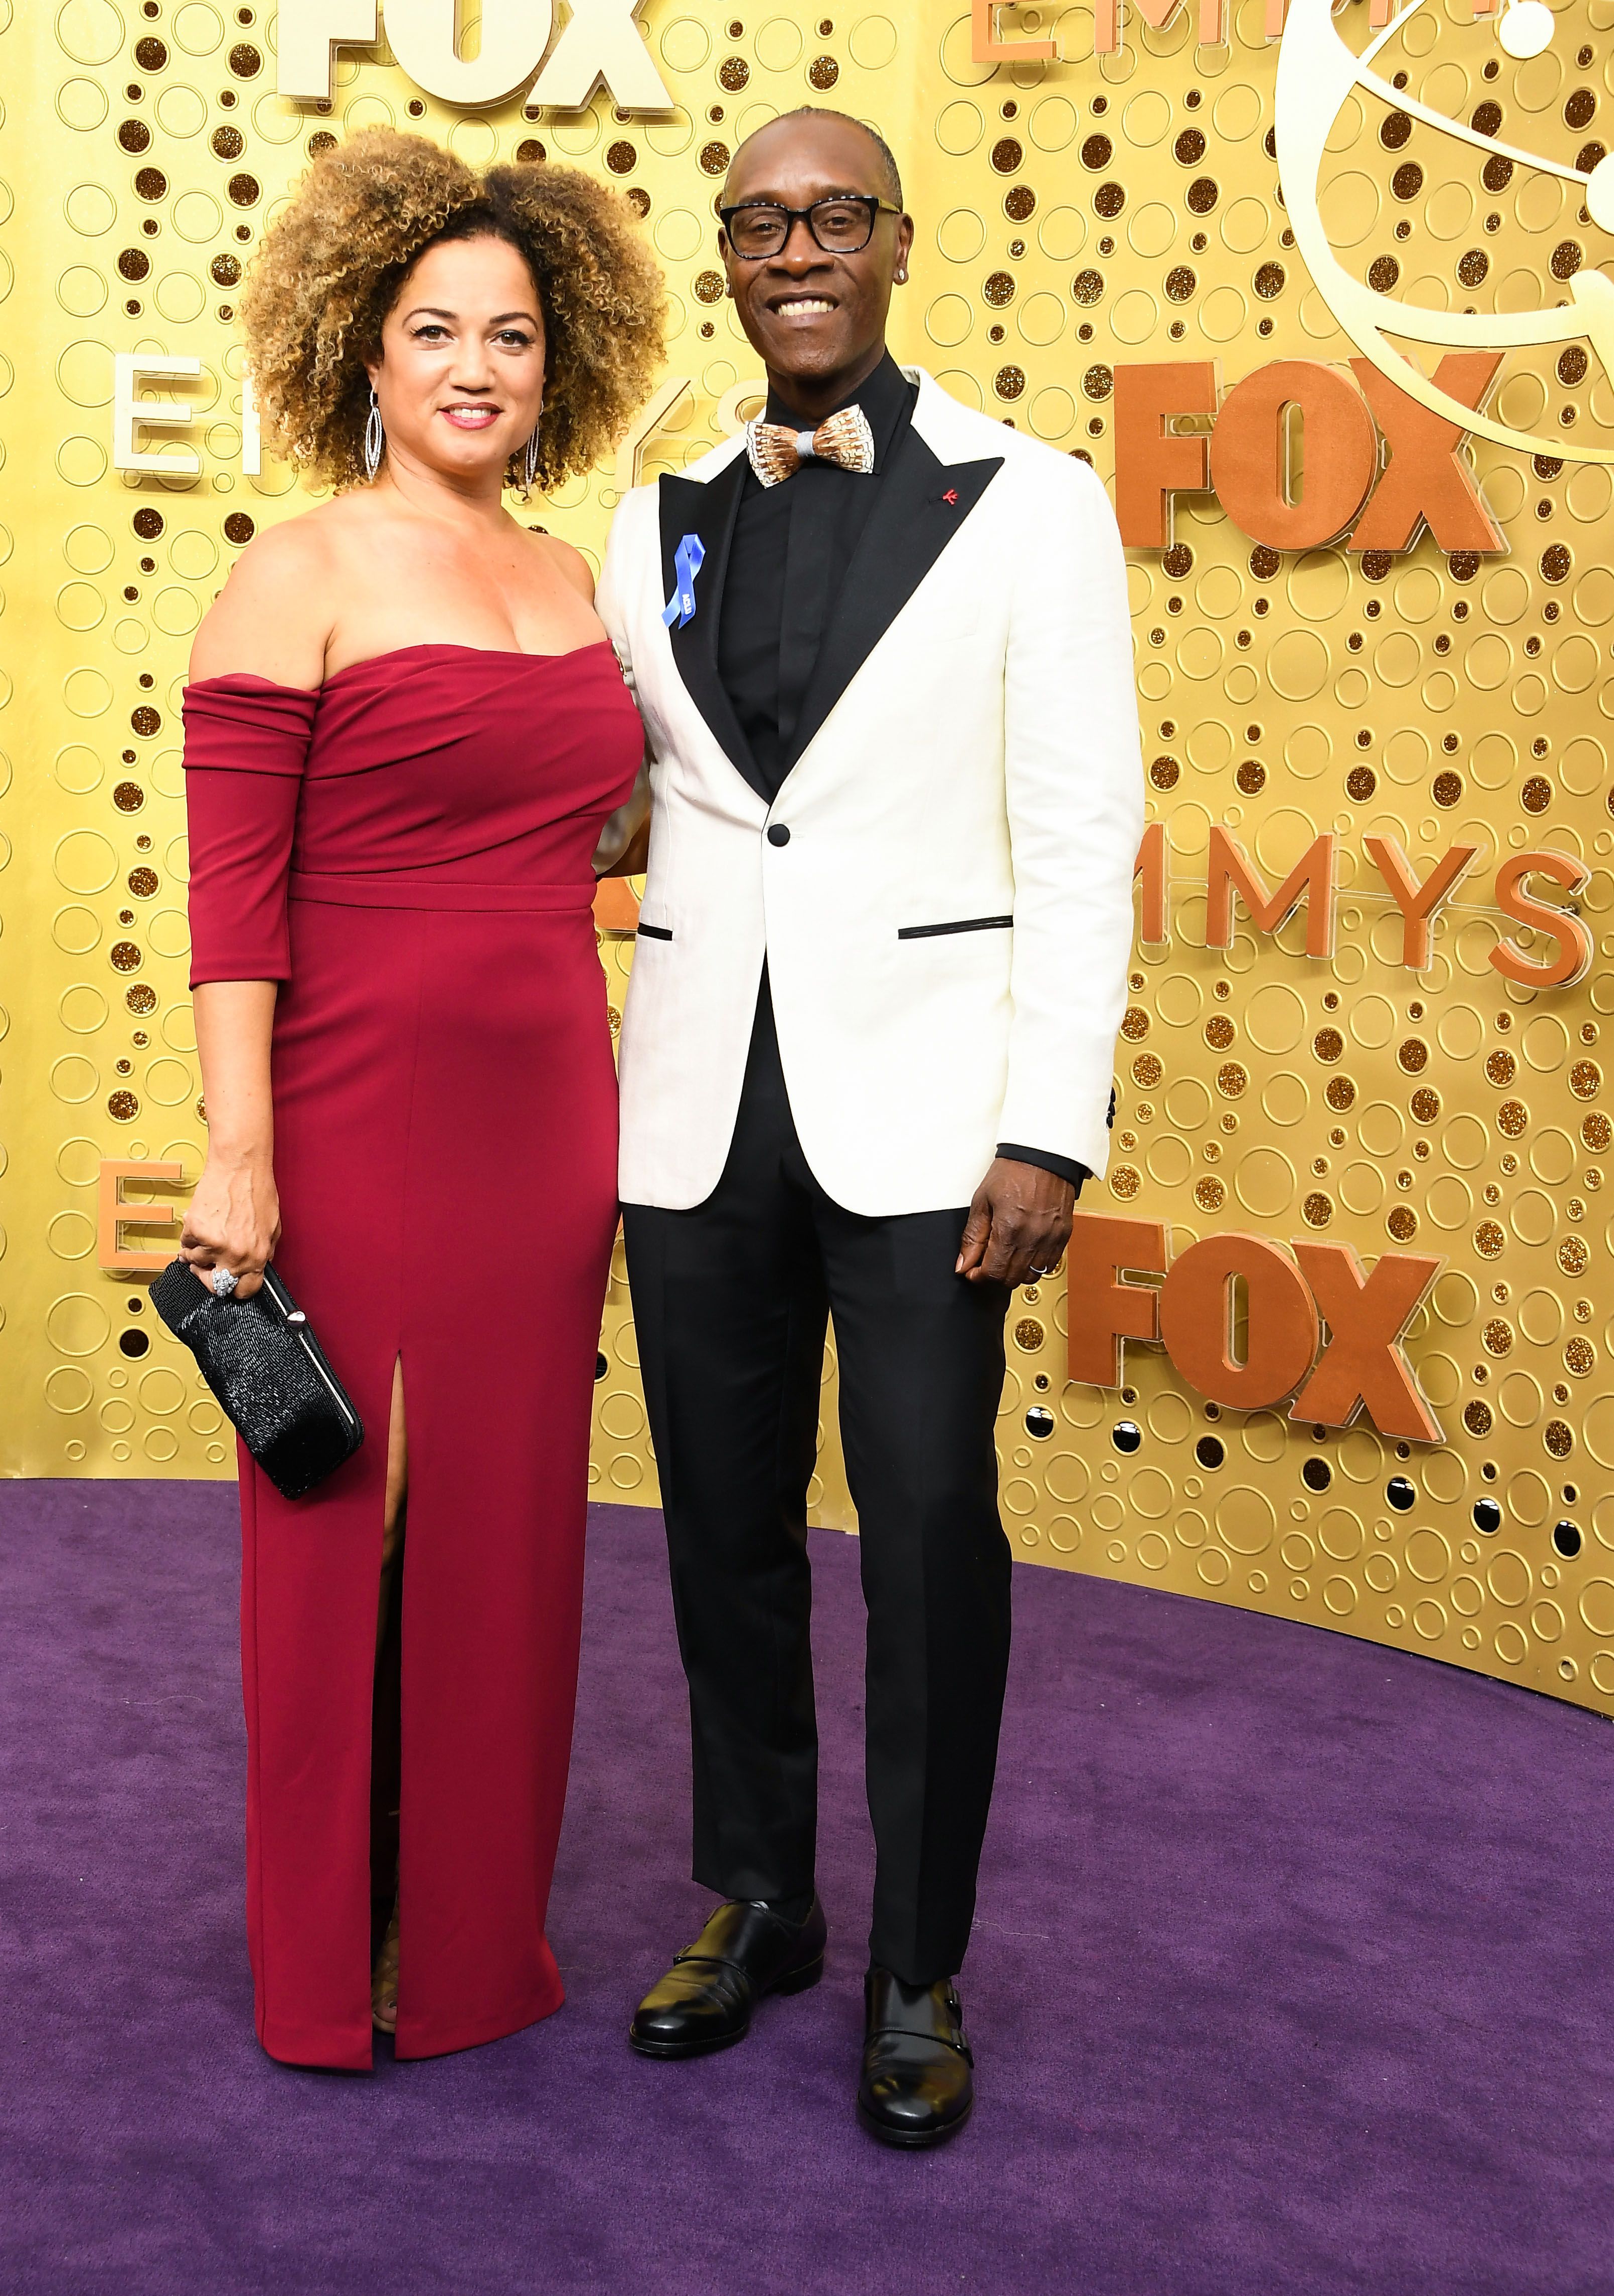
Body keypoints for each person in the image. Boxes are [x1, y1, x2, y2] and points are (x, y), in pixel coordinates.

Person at [596, 108, 1142, 2146]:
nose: (794, 250)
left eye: (831, 219)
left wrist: (1049, 1123)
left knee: (922, 1540)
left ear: (897, 244)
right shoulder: (649, 512)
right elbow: (652, 784)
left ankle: (919, 1956)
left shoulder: (1032, 500)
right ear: (726, 262)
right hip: (692, 1113)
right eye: (757, 226)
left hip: (931, 1126)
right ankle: (763, 1899)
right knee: (722, 1542)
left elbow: (1084, 840)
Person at [175, 130, 661, 2071]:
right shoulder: (292, 568)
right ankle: (322, 1967)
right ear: (357, 354)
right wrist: (238, 1145)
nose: (476, 365)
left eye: (515, 336)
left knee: (517, 1534)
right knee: (332, 1523)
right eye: (433, 328)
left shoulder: (567, 573)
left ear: (565, 364)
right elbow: (233, 900)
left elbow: (623, 829)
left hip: (553, 1111)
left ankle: (470, 1953)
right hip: (351, 1100)